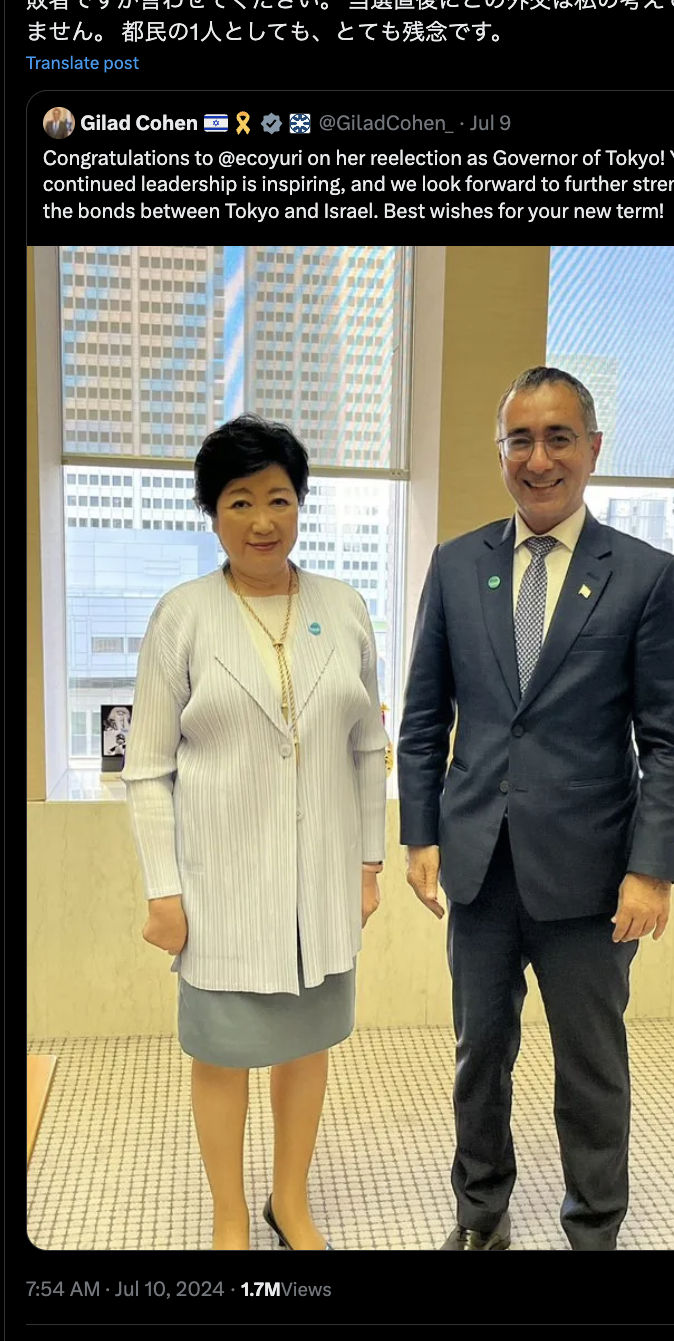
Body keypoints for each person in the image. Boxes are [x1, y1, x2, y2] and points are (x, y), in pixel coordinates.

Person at [398, 366, 674, 1252]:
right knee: (479, 1054)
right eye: (520, 440)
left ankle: (595, 1225)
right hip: (481, 867)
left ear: (593, 449)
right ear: (501, 452)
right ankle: (479, 1211)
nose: (538, 460)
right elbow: (424, 719)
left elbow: (670, 741)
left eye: (558, 438)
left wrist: (652, 870)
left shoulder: (645, 576)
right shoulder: (458, 566)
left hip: (591, 877)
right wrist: (420, 833)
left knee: (590, 1063)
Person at [122, 416, 388, 1251]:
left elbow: (367, 748)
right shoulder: (183, 616)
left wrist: (369, 863)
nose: (263, 520)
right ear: (212, 513)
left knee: (306, 1048)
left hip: (320, 879)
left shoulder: (344, 608)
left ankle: (290, 1202)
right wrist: (163, 890)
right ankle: (230, 1214)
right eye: (240, 501)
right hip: (221, 884)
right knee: (223, 1053)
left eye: (279, 498)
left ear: (300, 503)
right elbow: (147, 768)